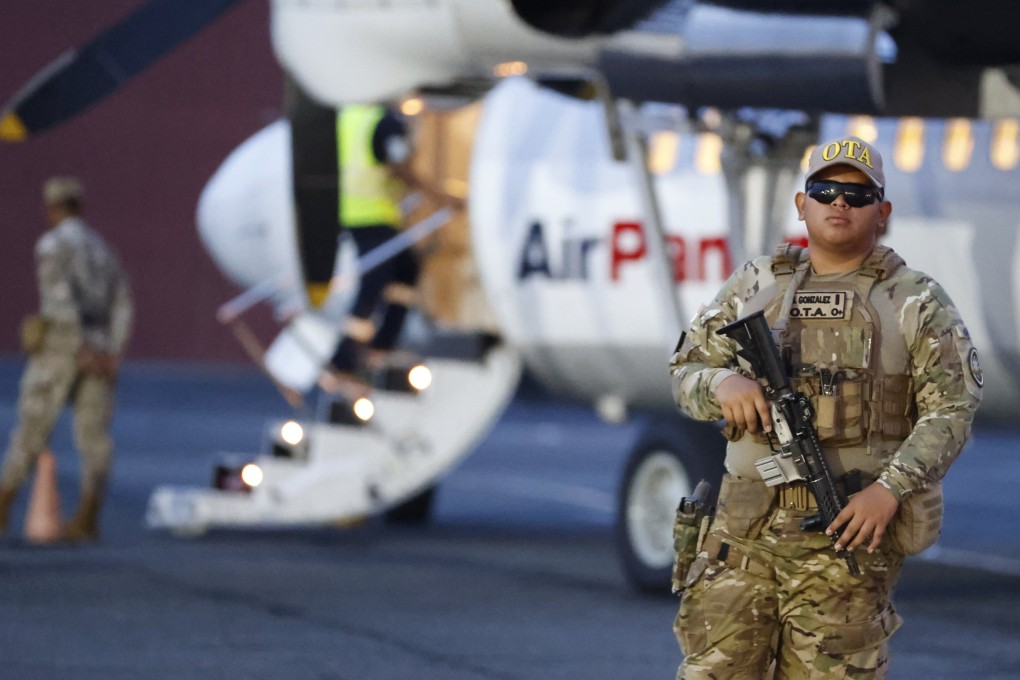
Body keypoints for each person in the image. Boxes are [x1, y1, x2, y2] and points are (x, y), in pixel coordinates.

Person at [668, 135, 982, 678]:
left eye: (858, 196)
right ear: (802, 203)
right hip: (741, 542)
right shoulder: (758, 283)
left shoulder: (914, 300)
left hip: (845, 546)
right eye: (826, 190)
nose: (840, 203)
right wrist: (722, 384)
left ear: (881, 212)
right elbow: (684, 370)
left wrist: (891, 490)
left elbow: (952, 409)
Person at [0, 176, 133, 542]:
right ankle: (89, 515)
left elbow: (59, 302)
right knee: (94, 437)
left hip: (62, 352)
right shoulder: (101, 249)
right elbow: (122, 302)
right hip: (101, 351)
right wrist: (111, 352)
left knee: (31, 429)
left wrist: (80, 348)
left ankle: (4, 503)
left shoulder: (52, 245)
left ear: (52, 208)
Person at [321, 102, 462, 395]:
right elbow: (399, 167)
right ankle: (344, 362)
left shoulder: (348, 117)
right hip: (375, 215)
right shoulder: (382, 122)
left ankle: (377, 350)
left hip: (353, 212)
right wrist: (439, 196)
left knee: (405, 271)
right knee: (375, 286)